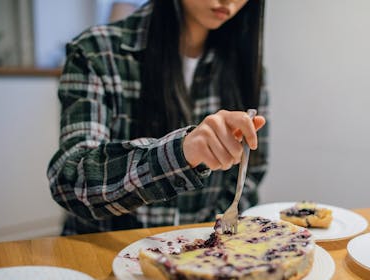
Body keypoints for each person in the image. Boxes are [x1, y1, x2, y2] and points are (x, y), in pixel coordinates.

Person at [47, 0, 268, 235]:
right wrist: (180, 154)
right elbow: (71, 181)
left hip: (199, 254)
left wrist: (211, 238)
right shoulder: (96, 51)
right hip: (104, 249)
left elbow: (252, 171)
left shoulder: (245, 65)